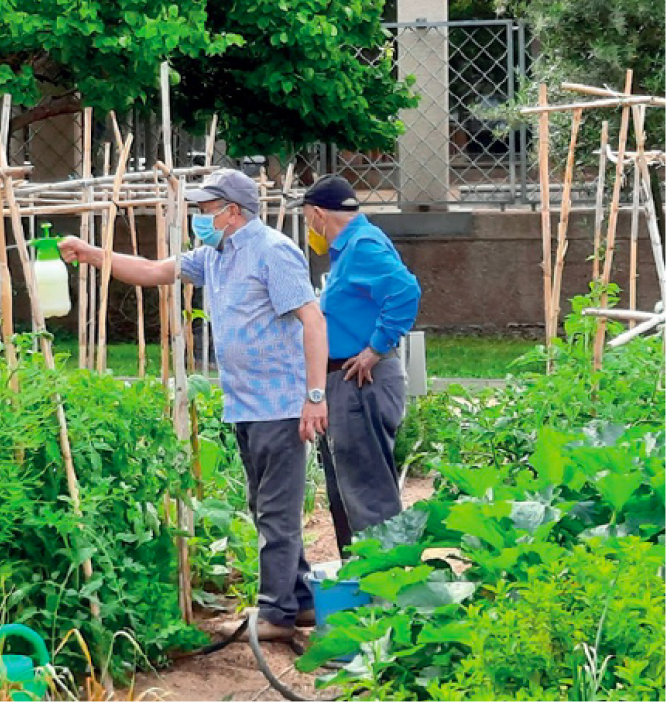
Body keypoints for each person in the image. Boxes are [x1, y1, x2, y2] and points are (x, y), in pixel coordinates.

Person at [59, 169, 328, 640]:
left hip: (280, 404)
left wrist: (314, 397)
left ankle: (274, 614)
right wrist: (94, 255)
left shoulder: (272, 251)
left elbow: (312, 321)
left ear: (233, 211)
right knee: (265, 505)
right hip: (246, 404)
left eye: (207, 209)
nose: (200, 217)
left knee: (276, 511)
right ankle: (300, 600)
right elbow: (152, 270)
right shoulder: (215, 255)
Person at [288, 175, 421, 556]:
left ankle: (384, 588)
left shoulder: (362, 245)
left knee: (368, 490)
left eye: (307, 218)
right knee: (347, 488)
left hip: (362, 380)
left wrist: (376, 348)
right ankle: (359, 582)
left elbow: (405, 290)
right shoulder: (350, 248)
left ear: (316, 214)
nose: (309, 227)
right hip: (345, 379)